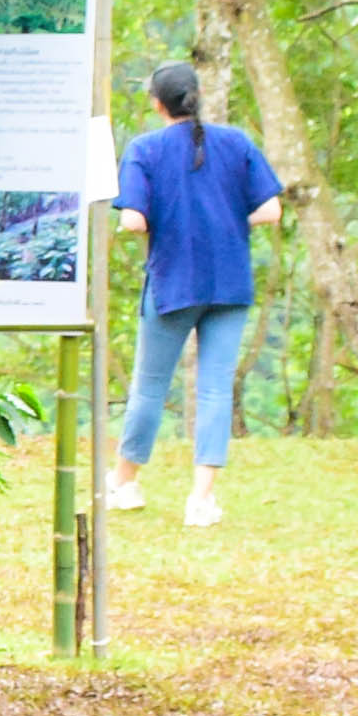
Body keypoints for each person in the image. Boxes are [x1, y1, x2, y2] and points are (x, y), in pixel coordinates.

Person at [107, 61, 279, 525]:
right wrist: (225, 221)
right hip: (229, 280)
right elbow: (271, 209)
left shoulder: (144, 149)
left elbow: (133, 220)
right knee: (215, 388)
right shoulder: (236, 142)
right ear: (197, 95)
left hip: (173, 283)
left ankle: (125, 482)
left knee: (148, 387)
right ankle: (201, 499)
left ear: (156, 103)